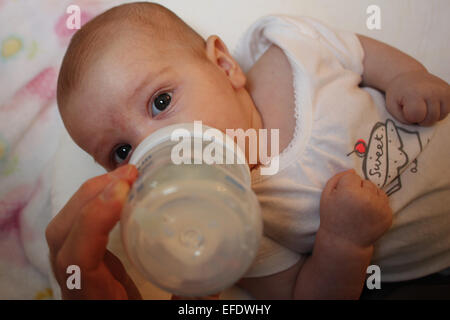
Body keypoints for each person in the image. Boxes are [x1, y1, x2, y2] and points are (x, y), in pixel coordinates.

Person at [46, 2, 450, 299]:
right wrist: (345, 242)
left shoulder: (287, 55)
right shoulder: (236, 225)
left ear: (223, 65)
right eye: (121, 151)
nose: (152, 146)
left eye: (162, 102)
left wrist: (406, 76)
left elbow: (356, 53)